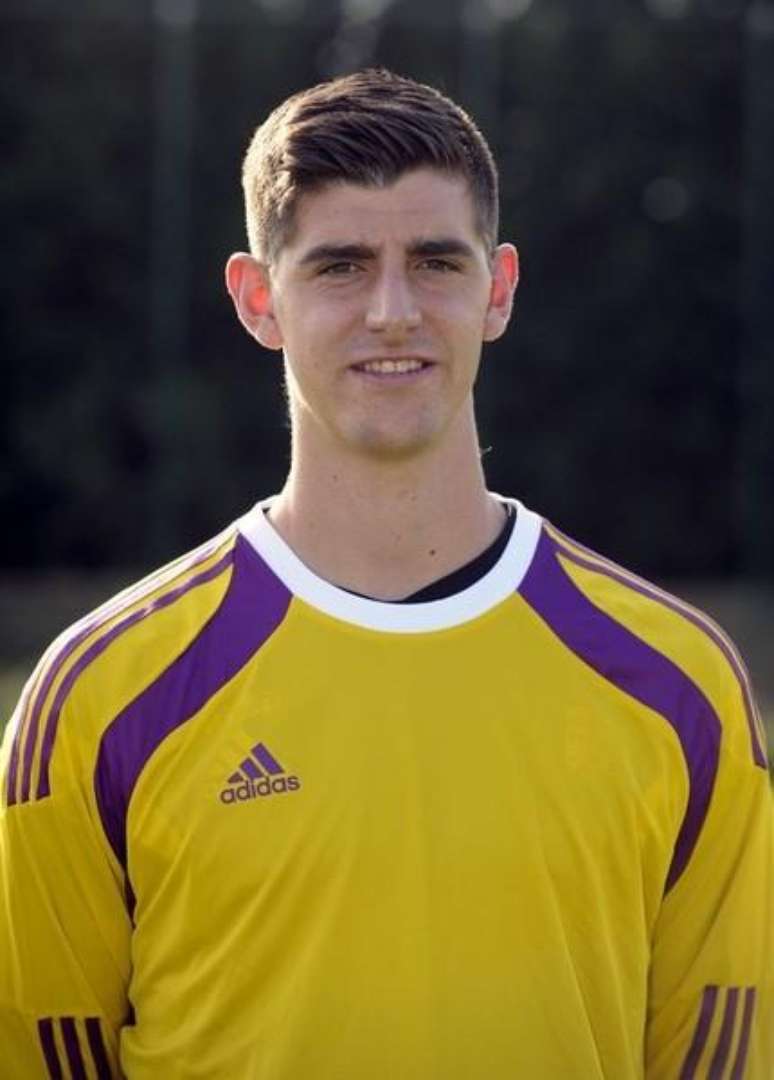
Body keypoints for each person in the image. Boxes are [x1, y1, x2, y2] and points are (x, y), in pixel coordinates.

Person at [0, 68, 771, 1080]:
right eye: (340, 267)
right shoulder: (101, 696)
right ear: (258, 299)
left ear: (498, 290)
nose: (393, 311)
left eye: (437, 263)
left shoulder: (679, 685)